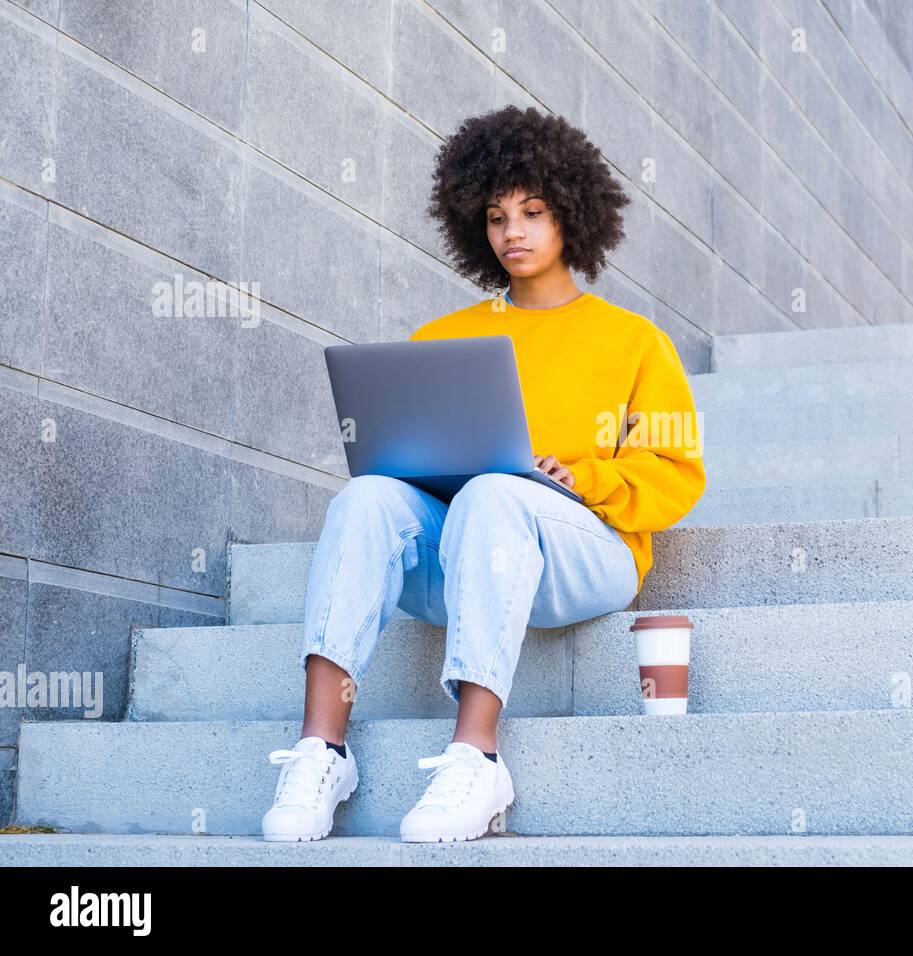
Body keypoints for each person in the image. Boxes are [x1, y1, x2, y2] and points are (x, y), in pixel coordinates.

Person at [261, 105, 707, 843]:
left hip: (584, 554)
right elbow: (401, 464)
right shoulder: (443, 338)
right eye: (497, 216)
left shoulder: (634, 342)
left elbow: (676, 476)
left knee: (501, 492)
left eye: (533, 211)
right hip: (462, 550)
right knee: (369, 497)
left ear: (573, 213)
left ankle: (477, 756)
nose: (514, 232)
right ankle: (322, 750)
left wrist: (582, 477)